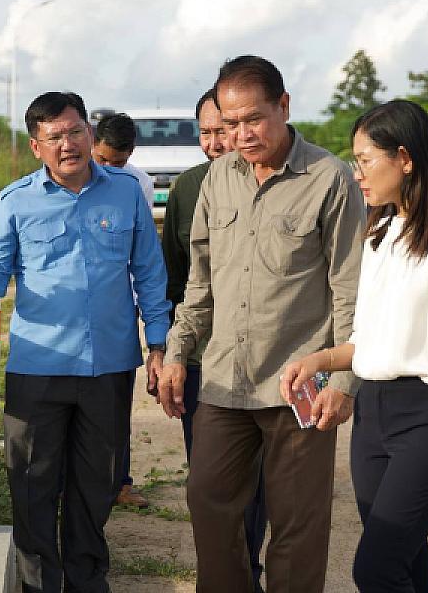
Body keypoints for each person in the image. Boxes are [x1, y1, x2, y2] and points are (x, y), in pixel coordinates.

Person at [0, 91, 170, 593]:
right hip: (39, 369)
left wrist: (158, 345)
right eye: (55, 137)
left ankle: (88, 581)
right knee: (32, 488)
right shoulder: (15, 201)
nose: (68, 144)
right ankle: (38, 585)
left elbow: (149, 274)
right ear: (36, 147)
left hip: (108, 367)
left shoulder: (126, 193)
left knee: (97, 487)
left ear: (90, 134)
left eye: (75, 131)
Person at [157, 55, 365, 592]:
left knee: (298, 523)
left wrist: (344, 383)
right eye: (230, 124)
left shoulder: (330, 179)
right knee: (207, 501)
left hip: (302, 384)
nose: (241, 136)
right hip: (225, 381)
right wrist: (178, 353)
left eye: (253, 120)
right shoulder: (215, 181)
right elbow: (199, 286)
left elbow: (351, 292)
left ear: (284, 107)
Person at [281, 99, 428, 593]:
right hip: (372, 419)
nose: (357, 173)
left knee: (375, 570)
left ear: (404, 158)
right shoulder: (382, 228)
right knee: (406, 563)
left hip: (425, 418)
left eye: (365, 160)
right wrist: (319, 360)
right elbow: (371, 339)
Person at [160, 88, 267, 592]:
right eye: (206, 132)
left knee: (260, 485)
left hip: (265, 365)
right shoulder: (187, 188)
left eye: (222, 130)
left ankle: (249, 571)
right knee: (210, 486)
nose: (216, 141)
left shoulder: (280, 182)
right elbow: (175, 281)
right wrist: (165, 352)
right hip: (202, 362)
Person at [92, 112, 157, 509]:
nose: (110, 169)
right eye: (103, 160)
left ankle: (121, 481)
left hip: (121, 306)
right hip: (77, 308)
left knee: (118, 397)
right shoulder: (69, 177)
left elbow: (142, 252)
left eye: (119, 163)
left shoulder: (139, 184)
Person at [93, 112, 155, 209]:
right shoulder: (73, 177)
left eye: (117, 163)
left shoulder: (141, 183)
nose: (108, 168)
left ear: (131, 152)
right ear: (93, 144)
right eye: (103, 159)